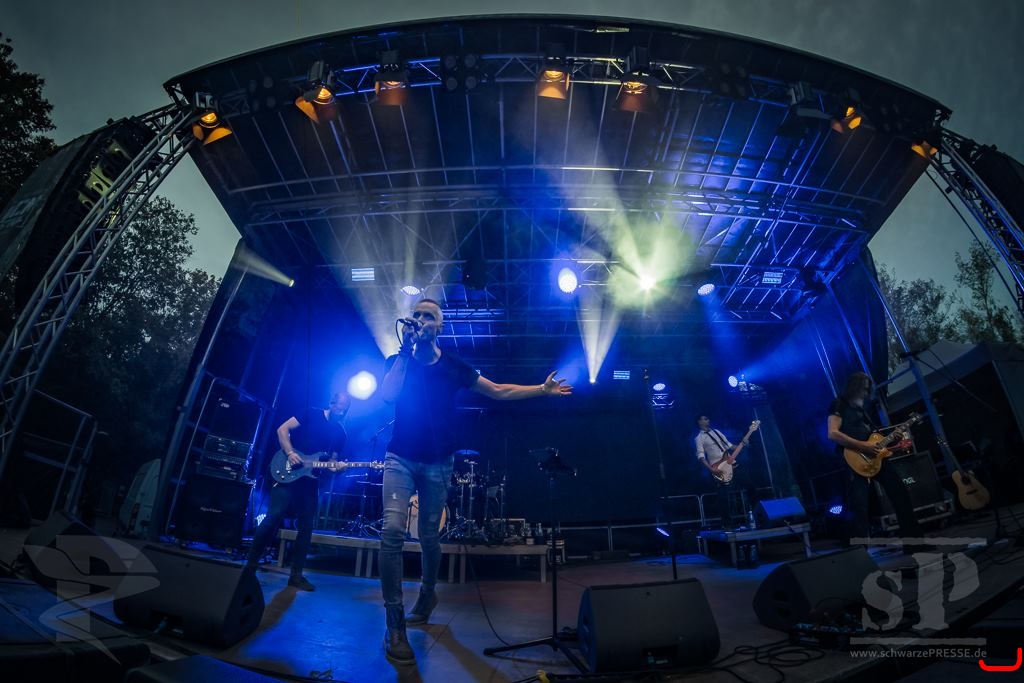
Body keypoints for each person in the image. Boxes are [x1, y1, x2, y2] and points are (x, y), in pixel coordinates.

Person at [378, 298, 572, 664]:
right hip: (400, 456)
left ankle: (428, 593)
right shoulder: (398, 361)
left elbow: (497, 390)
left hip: (439, 462)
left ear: (440, 326)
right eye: (416, 314)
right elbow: (387, 396)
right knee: (391, 532)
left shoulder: (454, 366)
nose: (420, 319)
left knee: (429, 535)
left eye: (428, 316)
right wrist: (404, 353)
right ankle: (394, 622)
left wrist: (541, 390)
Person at [244, 392, 350, 590]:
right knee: (273, 517)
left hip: (309, 481)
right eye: (340, 406)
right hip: (287, 471)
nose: (342, 411)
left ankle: (296, 575)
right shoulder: (310, 413)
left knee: (306, 527)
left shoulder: (340, 433)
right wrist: (291, 453)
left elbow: (332, 463)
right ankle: (249, 567)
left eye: (346, 408)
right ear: (332, 402)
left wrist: (338, 468)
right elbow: (282, 429)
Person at [827, 372, 923, 546]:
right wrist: (863, 446)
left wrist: (892, 438)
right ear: (854, 387)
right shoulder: (839, 404)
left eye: (867, 389)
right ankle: (859, 552)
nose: (866, 392)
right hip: (854, 458)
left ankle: (914, 543)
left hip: (875, 457)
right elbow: (833, 434)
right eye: (863, 388)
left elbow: (873, 437)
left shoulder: (863, 408)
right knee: (859, 505)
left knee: (900, 493)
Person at [695, 414, 750, 530]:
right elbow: (701, 457)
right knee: (723, 497)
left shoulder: (717, 432)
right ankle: (727, 524)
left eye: (708, 418)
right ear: (699, 422)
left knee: (749, 485)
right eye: (705, 419)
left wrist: (743, 444)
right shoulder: (699, 438)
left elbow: (730, 446)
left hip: (732, 463)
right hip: (718, 468)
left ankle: (755, 516)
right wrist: (711, 469)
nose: (708, 420)